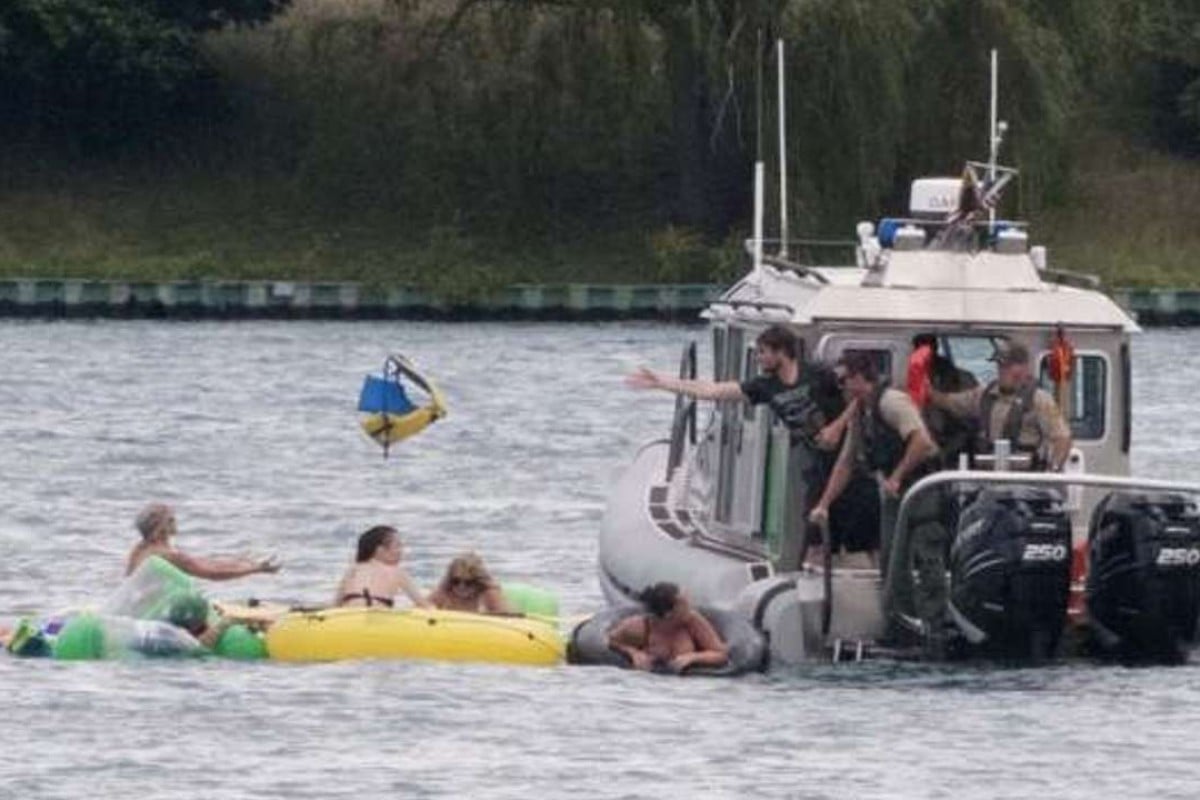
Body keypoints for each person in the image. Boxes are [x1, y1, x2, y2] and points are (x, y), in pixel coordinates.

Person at [627, 324, 861, 567]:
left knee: (851, 519)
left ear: (780, 352)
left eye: (762, 352)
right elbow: (713, 391)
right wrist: (662, 382)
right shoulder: (765, 386)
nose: (758, 358)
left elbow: (860, 395)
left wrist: (838, 426)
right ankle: (814, 573)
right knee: (813, 523)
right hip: (820, 461)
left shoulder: (817, 373)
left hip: (850, 455)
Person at [808, 352, 946, 640]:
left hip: (920, 487)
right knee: (891, 561)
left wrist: (896, 476)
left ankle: (935, 625)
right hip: (895, 494)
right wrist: (824, 504)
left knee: (925, 555)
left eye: (845, 380)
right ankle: (901, 625)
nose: (841, 386)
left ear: (861, 378)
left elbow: (922, 441)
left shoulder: (891, 402)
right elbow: (846, 461)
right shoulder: (860, 411)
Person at [928, 340, 1072, 471]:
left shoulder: (1041, 400)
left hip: (1025, 479)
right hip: (988, 477)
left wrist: (1052, 470)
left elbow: (1062, 438)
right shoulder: (983, 395)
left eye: (1007, 366)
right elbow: (949, 402)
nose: (1002, 370)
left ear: (1023, 368)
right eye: (1000, 365)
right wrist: (927, 391)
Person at [125, 503, 281, 580]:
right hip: (153, 617)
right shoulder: (167, 555)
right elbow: (212, 574)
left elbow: (202, 562)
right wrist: (255, 570)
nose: (176, 523)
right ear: (160, 528)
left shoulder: (140, 549)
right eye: (171, 520)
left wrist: (242, 562)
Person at [606, 582, 728, 673]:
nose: (689, 608)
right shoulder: (639, 627)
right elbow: (610, 641)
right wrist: (633, 653)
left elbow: (720, 654)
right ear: (669, 614)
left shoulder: (693, 622)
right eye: (683, 605)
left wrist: (692, 657)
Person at [335, 525, 429, 608]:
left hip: (348, 617)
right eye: (397, 546)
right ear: (379, 550)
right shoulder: (397, 572)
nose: (401, 551)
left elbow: (336, 604)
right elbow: (423, 604)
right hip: (378, 618)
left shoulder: (354, 568)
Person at [427, 552, 512, 614]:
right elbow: (421, 611)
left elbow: (509, 619)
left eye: (469, 582)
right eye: (456, 581)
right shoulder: (443, 593)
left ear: (479, 581)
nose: (461, 586)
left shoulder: (489, 595)